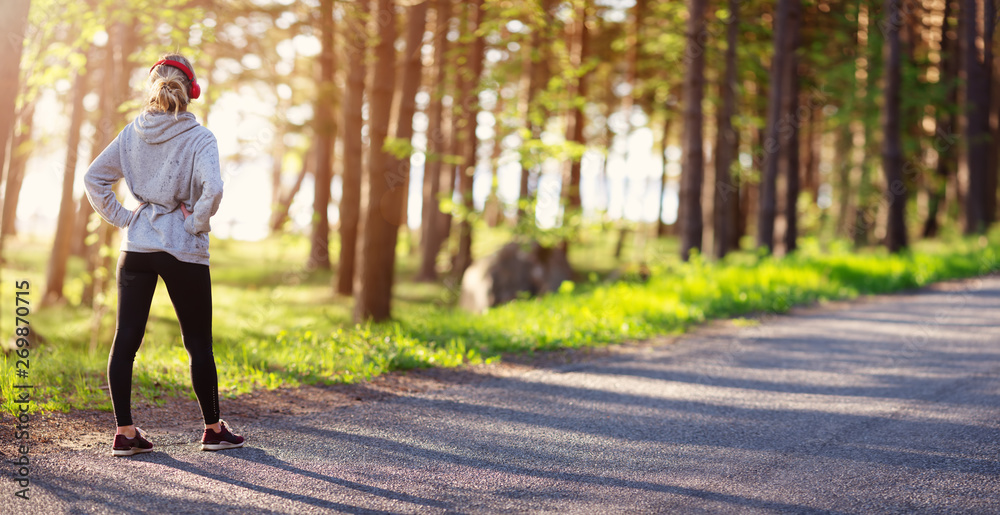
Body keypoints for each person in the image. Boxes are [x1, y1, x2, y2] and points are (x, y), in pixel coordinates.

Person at [84, 53, 244, 456]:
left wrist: (124, 218)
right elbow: (214, 189)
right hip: (182, 250)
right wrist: (194, 225)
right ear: (192, 92)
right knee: (197, 344)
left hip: (136, 247)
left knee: (125, 342)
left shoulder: (131, 133)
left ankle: (125, 433)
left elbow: (93, 178)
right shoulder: (200, 137)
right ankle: (212, 429)